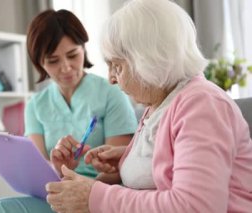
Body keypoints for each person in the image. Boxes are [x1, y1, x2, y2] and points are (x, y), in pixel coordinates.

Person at [45, 0, 252, 212]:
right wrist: (128, 160)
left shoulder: (202, 104)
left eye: (117, 66)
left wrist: (96, 197)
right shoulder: (160, 104)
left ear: (149, 59)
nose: (111, 80)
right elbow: (168, 165)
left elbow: (196, 206)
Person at [0, 9, 138, 213]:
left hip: (98, 196)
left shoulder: (112, 93)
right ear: (40, 63)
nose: (66, 67)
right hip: (56, 196)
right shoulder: (36, 105)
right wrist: (59, 168)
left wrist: (81, 188)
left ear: (83, 49)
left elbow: (119, 169)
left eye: (73, 55)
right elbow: (36, 169)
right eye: (53, 61)